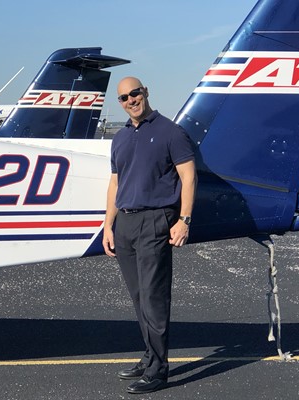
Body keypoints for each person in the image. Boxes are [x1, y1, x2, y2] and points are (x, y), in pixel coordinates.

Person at [103, 77, 197, 394]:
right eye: (124, 97)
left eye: (135, 93)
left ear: (145, 92)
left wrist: (184, 219)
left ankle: (158, 370)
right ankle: (149, 357)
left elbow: (188, 177)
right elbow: (115, 182)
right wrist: (108, 225)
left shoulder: (171, 132)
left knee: (154, 298)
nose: (130, 100)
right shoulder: (120, 137)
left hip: (155, 220)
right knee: (139, 297)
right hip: (125, 224)